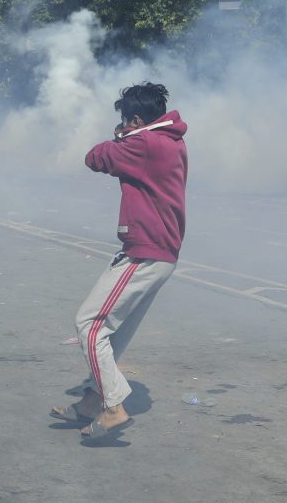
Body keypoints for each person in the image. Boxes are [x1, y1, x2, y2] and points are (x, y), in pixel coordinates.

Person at [50, 82, 188, 441]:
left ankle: (113, 407)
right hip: (160, 252)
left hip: (145, 251)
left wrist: (121, 136)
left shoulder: (144, 143)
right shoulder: (173, 141)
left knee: (89, 324)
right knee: (112, 333)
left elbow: (95, 157)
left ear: (136, 120)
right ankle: (91, 402)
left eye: (126, 120)